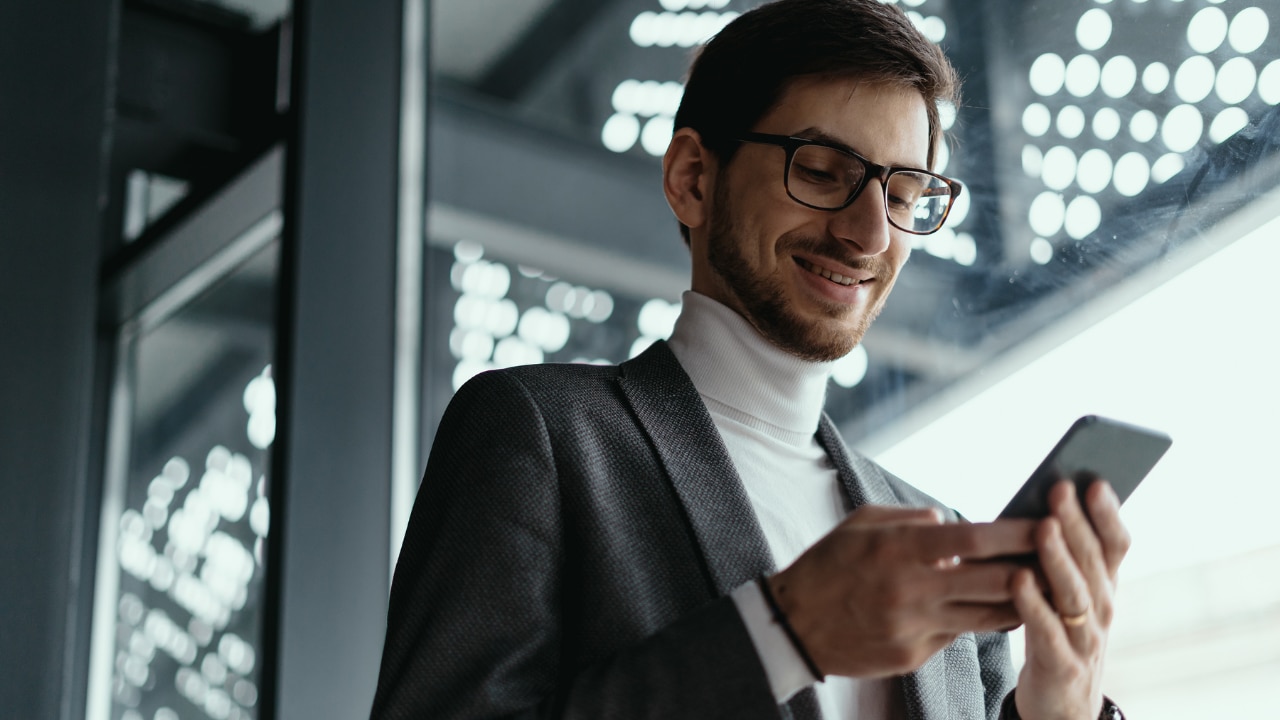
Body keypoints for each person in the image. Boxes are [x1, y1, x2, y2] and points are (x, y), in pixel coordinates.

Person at [369, 1, 1129, 718]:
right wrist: (784, 632)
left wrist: (1057, 710)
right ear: (693, 179)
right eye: (822, 171)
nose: (870, 235)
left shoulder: (944, 551)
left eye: (904, 195)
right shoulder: (542, 435)